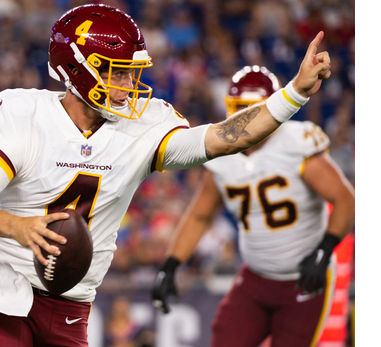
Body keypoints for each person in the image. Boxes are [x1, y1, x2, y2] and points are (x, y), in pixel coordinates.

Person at [0, 3, 331, 346]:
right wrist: (20, 228)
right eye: (116, 72)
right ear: (76, 67)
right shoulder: (24, 114)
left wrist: (295, 91)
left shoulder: (145, 125)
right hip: (0, 288)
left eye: (129, 72)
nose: (128, 85)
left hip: (73, 301)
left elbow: (225, 139)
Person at [150, 65, 355, 347]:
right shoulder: (221, 153)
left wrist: (325, 248)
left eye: (254, 110)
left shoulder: (296, 143)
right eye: (239, 109)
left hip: (303, 281)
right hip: (256, 276)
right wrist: (171, 265)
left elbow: (345, 199)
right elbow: (199, 216)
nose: (246, 120)